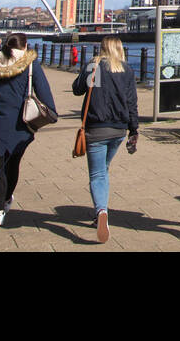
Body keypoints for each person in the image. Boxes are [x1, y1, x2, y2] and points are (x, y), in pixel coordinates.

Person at [0, 33, 57, 227]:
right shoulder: (30, 65)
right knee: (14, 163)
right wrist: (52, 112)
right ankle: (7, 197)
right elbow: (43, 90)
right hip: (21, 123)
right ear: (25, 47)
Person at [72, 35, 139, 243]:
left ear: (102, 48)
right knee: (104, 170)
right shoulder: (126, 70)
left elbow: (77, 89)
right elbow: (131, 102)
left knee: (98, 174)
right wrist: (134, 129)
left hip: (96, 127)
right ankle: (100, 211)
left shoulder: (95, 66)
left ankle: (101, 211)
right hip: (118, 130)